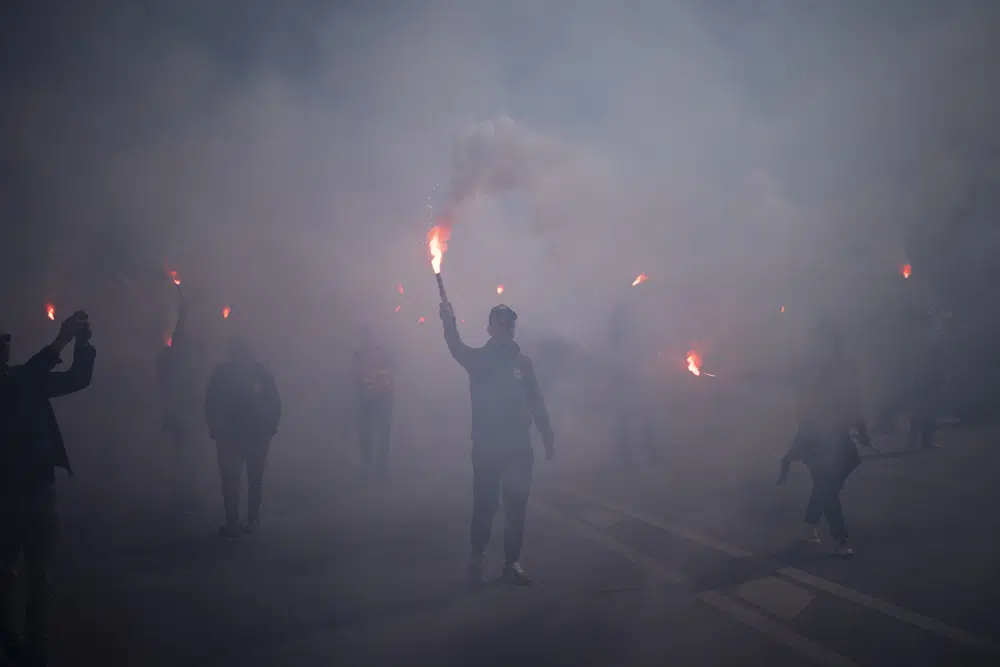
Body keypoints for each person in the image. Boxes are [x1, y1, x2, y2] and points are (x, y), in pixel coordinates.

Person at [1, 311, 96, 667]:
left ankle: (34, 651)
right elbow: (25, 380)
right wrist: (62, 339)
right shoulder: (19, 381)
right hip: (5, 493)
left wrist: (82, 345)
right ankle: (10, 643)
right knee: (5, 573)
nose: (5, 344)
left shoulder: (24, 379)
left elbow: (76, 379)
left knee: (39, 577)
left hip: (39, 488)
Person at [439, 301, 555, 587]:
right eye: (500, 324)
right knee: (485, 505)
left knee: (517, 506)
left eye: (509, 325)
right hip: (487, 447)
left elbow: (536, 400)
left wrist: (547, 434)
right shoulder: (478, 359)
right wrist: (448, 320)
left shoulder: (523, 364)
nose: (505, 330)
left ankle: (511, 563)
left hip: (518, 447)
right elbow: (454, 345)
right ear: (490, 328)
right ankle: (477, 559)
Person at [776, 322, 876, 558]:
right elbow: (807, 407)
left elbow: (854, 402)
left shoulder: (842, 368)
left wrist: (861, 431)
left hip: (837, 438)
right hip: (814, 438)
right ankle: (841, 540)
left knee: (827, 486)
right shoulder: (809, 369)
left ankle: (810, 524)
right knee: (828, 488)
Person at [205, 337, 281, 539]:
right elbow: (211, 403)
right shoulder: (223, 374)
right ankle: (237, 521)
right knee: (234, 479)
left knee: (250, 478)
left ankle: (248, 520)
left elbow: (274, 403)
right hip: (234, 436)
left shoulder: (258, 374)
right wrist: (214, 427)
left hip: (252, 435)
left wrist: (270, 428)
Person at [155, 295, 204, 514]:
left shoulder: (168, 359)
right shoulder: (175, 360)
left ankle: (183, 492)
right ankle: (183, 493)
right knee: (184, 454)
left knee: (183, 454)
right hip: (181, 411)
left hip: (180, 411)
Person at [607, 306, 662, 467]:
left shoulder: (630, 337)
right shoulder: (616, 339)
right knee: (626, 417)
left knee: (643, 415)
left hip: (635, 377)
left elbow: (641, 354)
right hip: (624, 379)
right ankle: (627, 456)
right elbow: (616, 361)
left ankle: (648, 452)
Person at [352, 326, 394, 482]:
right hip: (370, 400)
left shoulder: (381, 354)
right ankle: (369, 469)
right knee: (368, 436)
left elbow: (390, 374)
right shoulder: (359, 355)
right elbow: (357, 377)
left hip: (381, 400)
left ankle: (379, 470)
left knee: (379, 436)